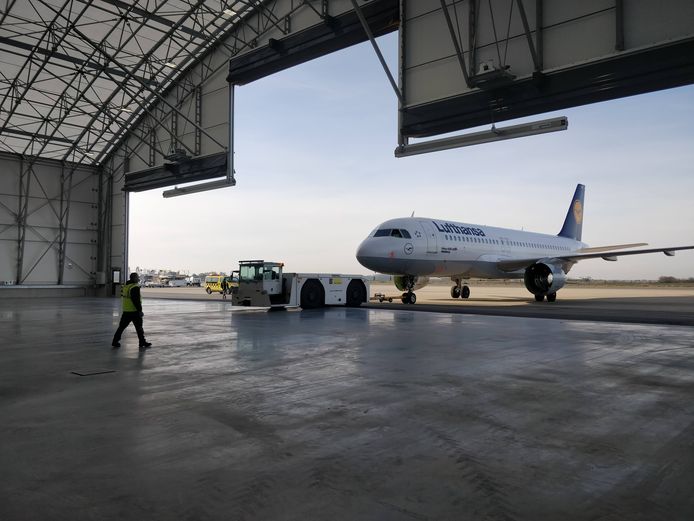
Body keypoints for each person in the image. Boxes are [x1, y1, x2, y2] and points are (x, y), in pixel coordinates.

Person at [112, 272, 152, 349]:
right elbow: (136, 301)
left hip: (126, 311)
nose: (138, 279)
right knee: (139, 328)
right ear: (134, 278)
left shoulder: (126, 286)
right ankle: (142, 342)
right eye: (137, 277)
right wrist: (140, 311)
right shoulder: (134, 287)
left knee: (121, 327)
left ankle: (115, 341)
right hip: (134, 312)